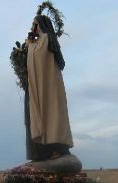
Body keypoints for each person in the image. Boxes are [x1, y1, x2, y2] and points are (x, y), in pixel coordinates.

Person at [24, 15, 73, 161]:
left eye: (36, 24)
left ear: (42, 25)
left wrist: (30, 45)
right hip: (49, 83)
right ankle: (48, 150)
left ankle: (57, 148)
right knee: (50, 114)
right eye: (33, 25)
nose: (34, 28)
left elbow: (38, 57)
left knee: (52, 115)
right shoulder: (46, 39)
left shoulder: (45, 38)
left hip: (48, 84)